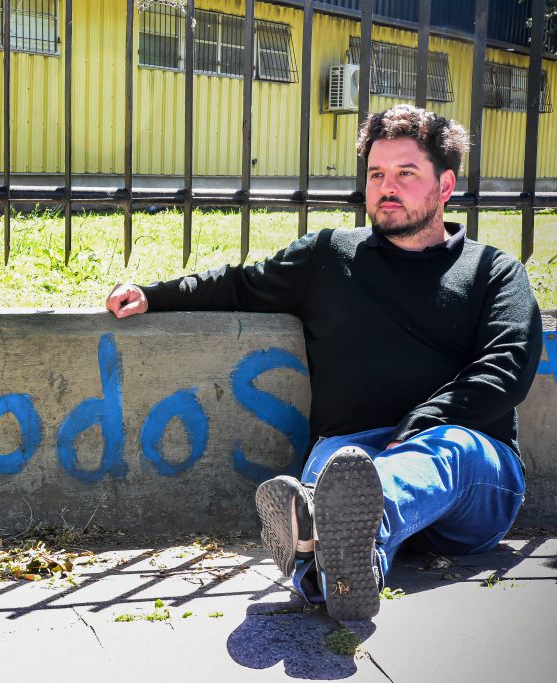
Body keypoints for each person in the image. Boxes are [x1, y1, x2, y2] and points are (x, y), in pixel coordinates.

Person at [105, 104, 542, 621]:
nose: (386, 186)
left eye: (406, 173)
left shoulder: (493, 272)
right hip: (348, 456)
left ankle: (323, 539)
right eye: (377, 174)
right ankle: (346, 565)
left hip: (468, 471)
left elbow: (507, 366)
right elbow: (242, 284)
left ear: (445, 186)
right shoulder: (329, 257)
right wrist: (152, 295)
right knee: (340, 472)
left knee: (441, 451)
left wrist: (424, 423)